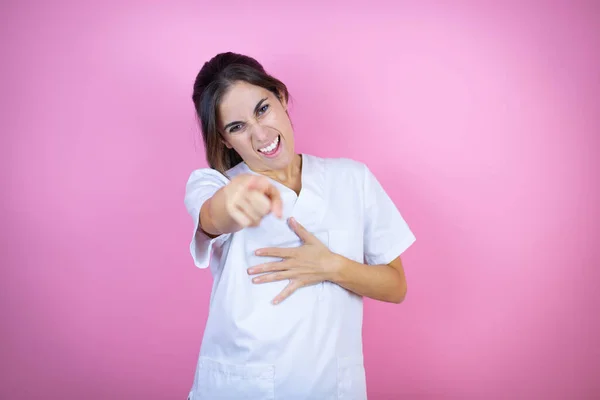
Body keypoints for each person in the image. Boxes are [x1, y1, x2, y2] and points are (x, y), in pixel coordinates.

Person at [184, 52, 416, 400]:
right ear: (225, 141)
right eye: (237, 127)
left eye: (262, 108)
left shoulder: (352, 179)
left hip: (331, 388)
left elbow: (395, 286)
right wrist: (234, 202)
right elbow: (212, 216)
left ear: (281, 96)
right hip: (240, 388)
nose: (260, 134)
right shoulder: (214, 185)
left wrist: (331, 266)